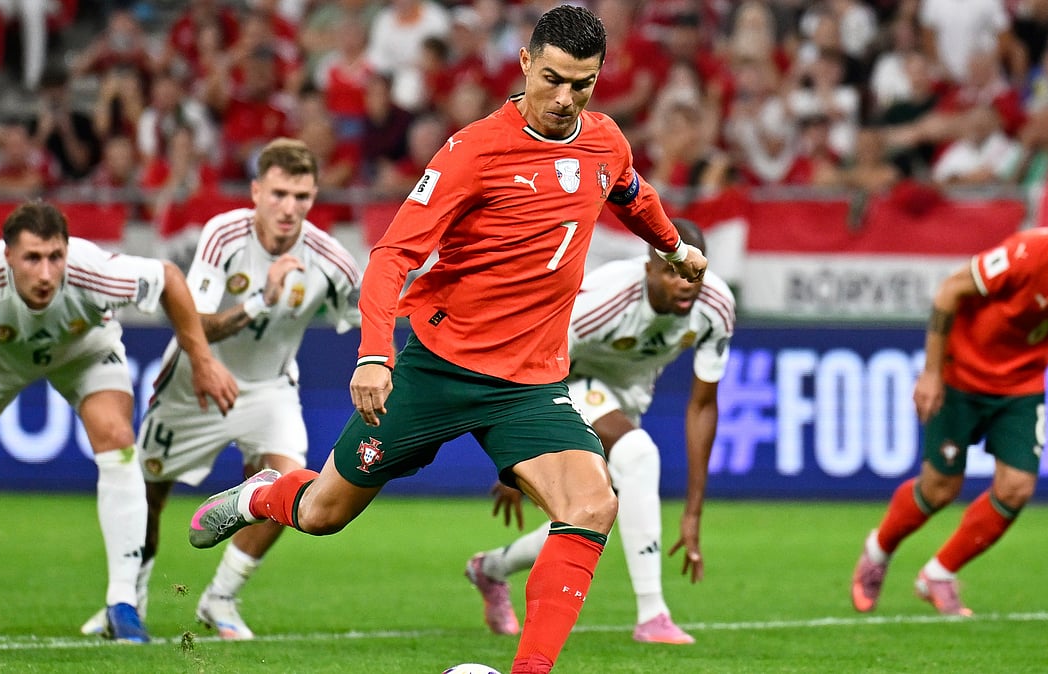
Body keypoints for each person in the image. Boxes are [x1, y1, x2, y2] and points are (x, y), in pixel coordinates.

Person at [185, 6, 707, 673]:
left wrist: (672, 248)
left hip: (531, 385)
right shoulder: (474, 151)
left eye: (583, 84)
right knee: (321, 514)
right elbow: (391, 257)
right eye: (552, 79)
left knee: (594, 501)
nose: (565, 97)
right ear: (524, 64)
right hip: (438, 369)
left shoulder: (605, 141)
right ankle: (261, 494)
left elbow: (632, 193)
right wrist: (374, 353)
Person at [79, 138, 361, 640]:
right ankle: (128, 599)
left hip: (269, 388)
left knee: (295, 489)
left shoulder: (331, 259)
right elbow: (196, 326)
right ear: (255, 191)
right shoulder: (222, 235)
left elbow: (366, 317)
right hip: (194, 382)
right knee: (147, 494)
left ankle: (220, 598)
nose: (289, 209)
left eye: (301, 197)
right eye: (278, 194)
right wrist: (261, 299)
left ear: (314, 197)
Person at [850, 192, 1048, 617]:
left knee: (1017, 487)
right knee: (940, 489)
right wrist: (932, 372)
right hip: (962, 376)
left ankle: (938, 575)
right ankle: (878, 551)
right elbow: (950, 291)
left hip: (1021, 385)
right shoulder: (1030, 252)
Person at [464, 218, 734, 645]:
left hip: (627, 399)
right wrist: (517, 456)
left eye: (692, 272)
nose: (684, 283)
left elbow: (703, 407)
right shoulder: (603, 299)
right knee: (640, 454)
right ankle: (652, 615)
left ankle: (490, 569)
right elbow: (533, 359)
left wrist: (693, 512)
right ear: (649, 270)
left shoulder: (717, 306)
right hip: (563, 377)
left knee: (596, 513)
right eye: (670, 271)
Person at [0, 201, 238, 643]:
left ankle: (122, 604)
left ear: (67, 251)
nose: (46, 273)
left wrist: (201, 361)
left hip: (84, 351)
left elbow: (169, 280)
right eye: (32, 258)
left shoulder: (94, 270)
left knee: (117, 437)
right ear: (8, 256)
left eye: (55, 257)